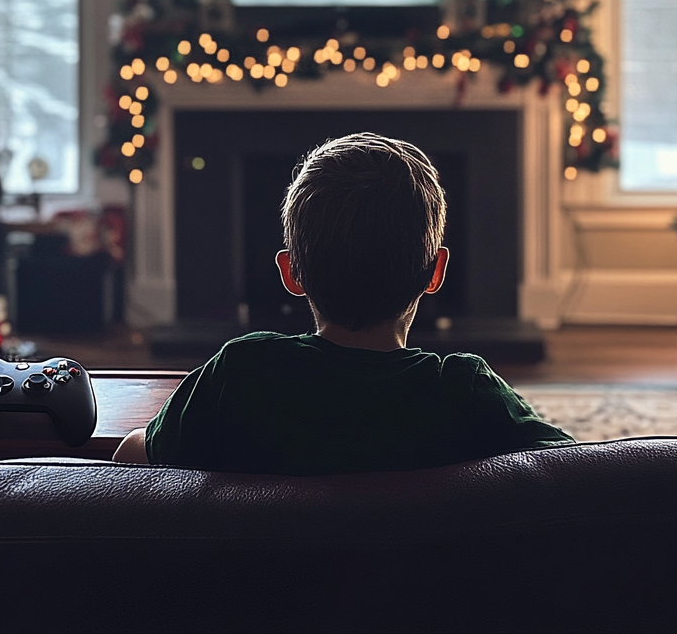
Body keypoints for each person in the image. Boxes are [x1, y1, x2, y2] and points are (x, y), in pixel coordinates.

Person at [113, 133, 572, 472]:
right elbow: (581, 472)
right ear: (437, 271)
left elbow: (129, 462)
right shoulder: (465, 390)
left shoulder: (242, 370)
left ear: (291, 273)